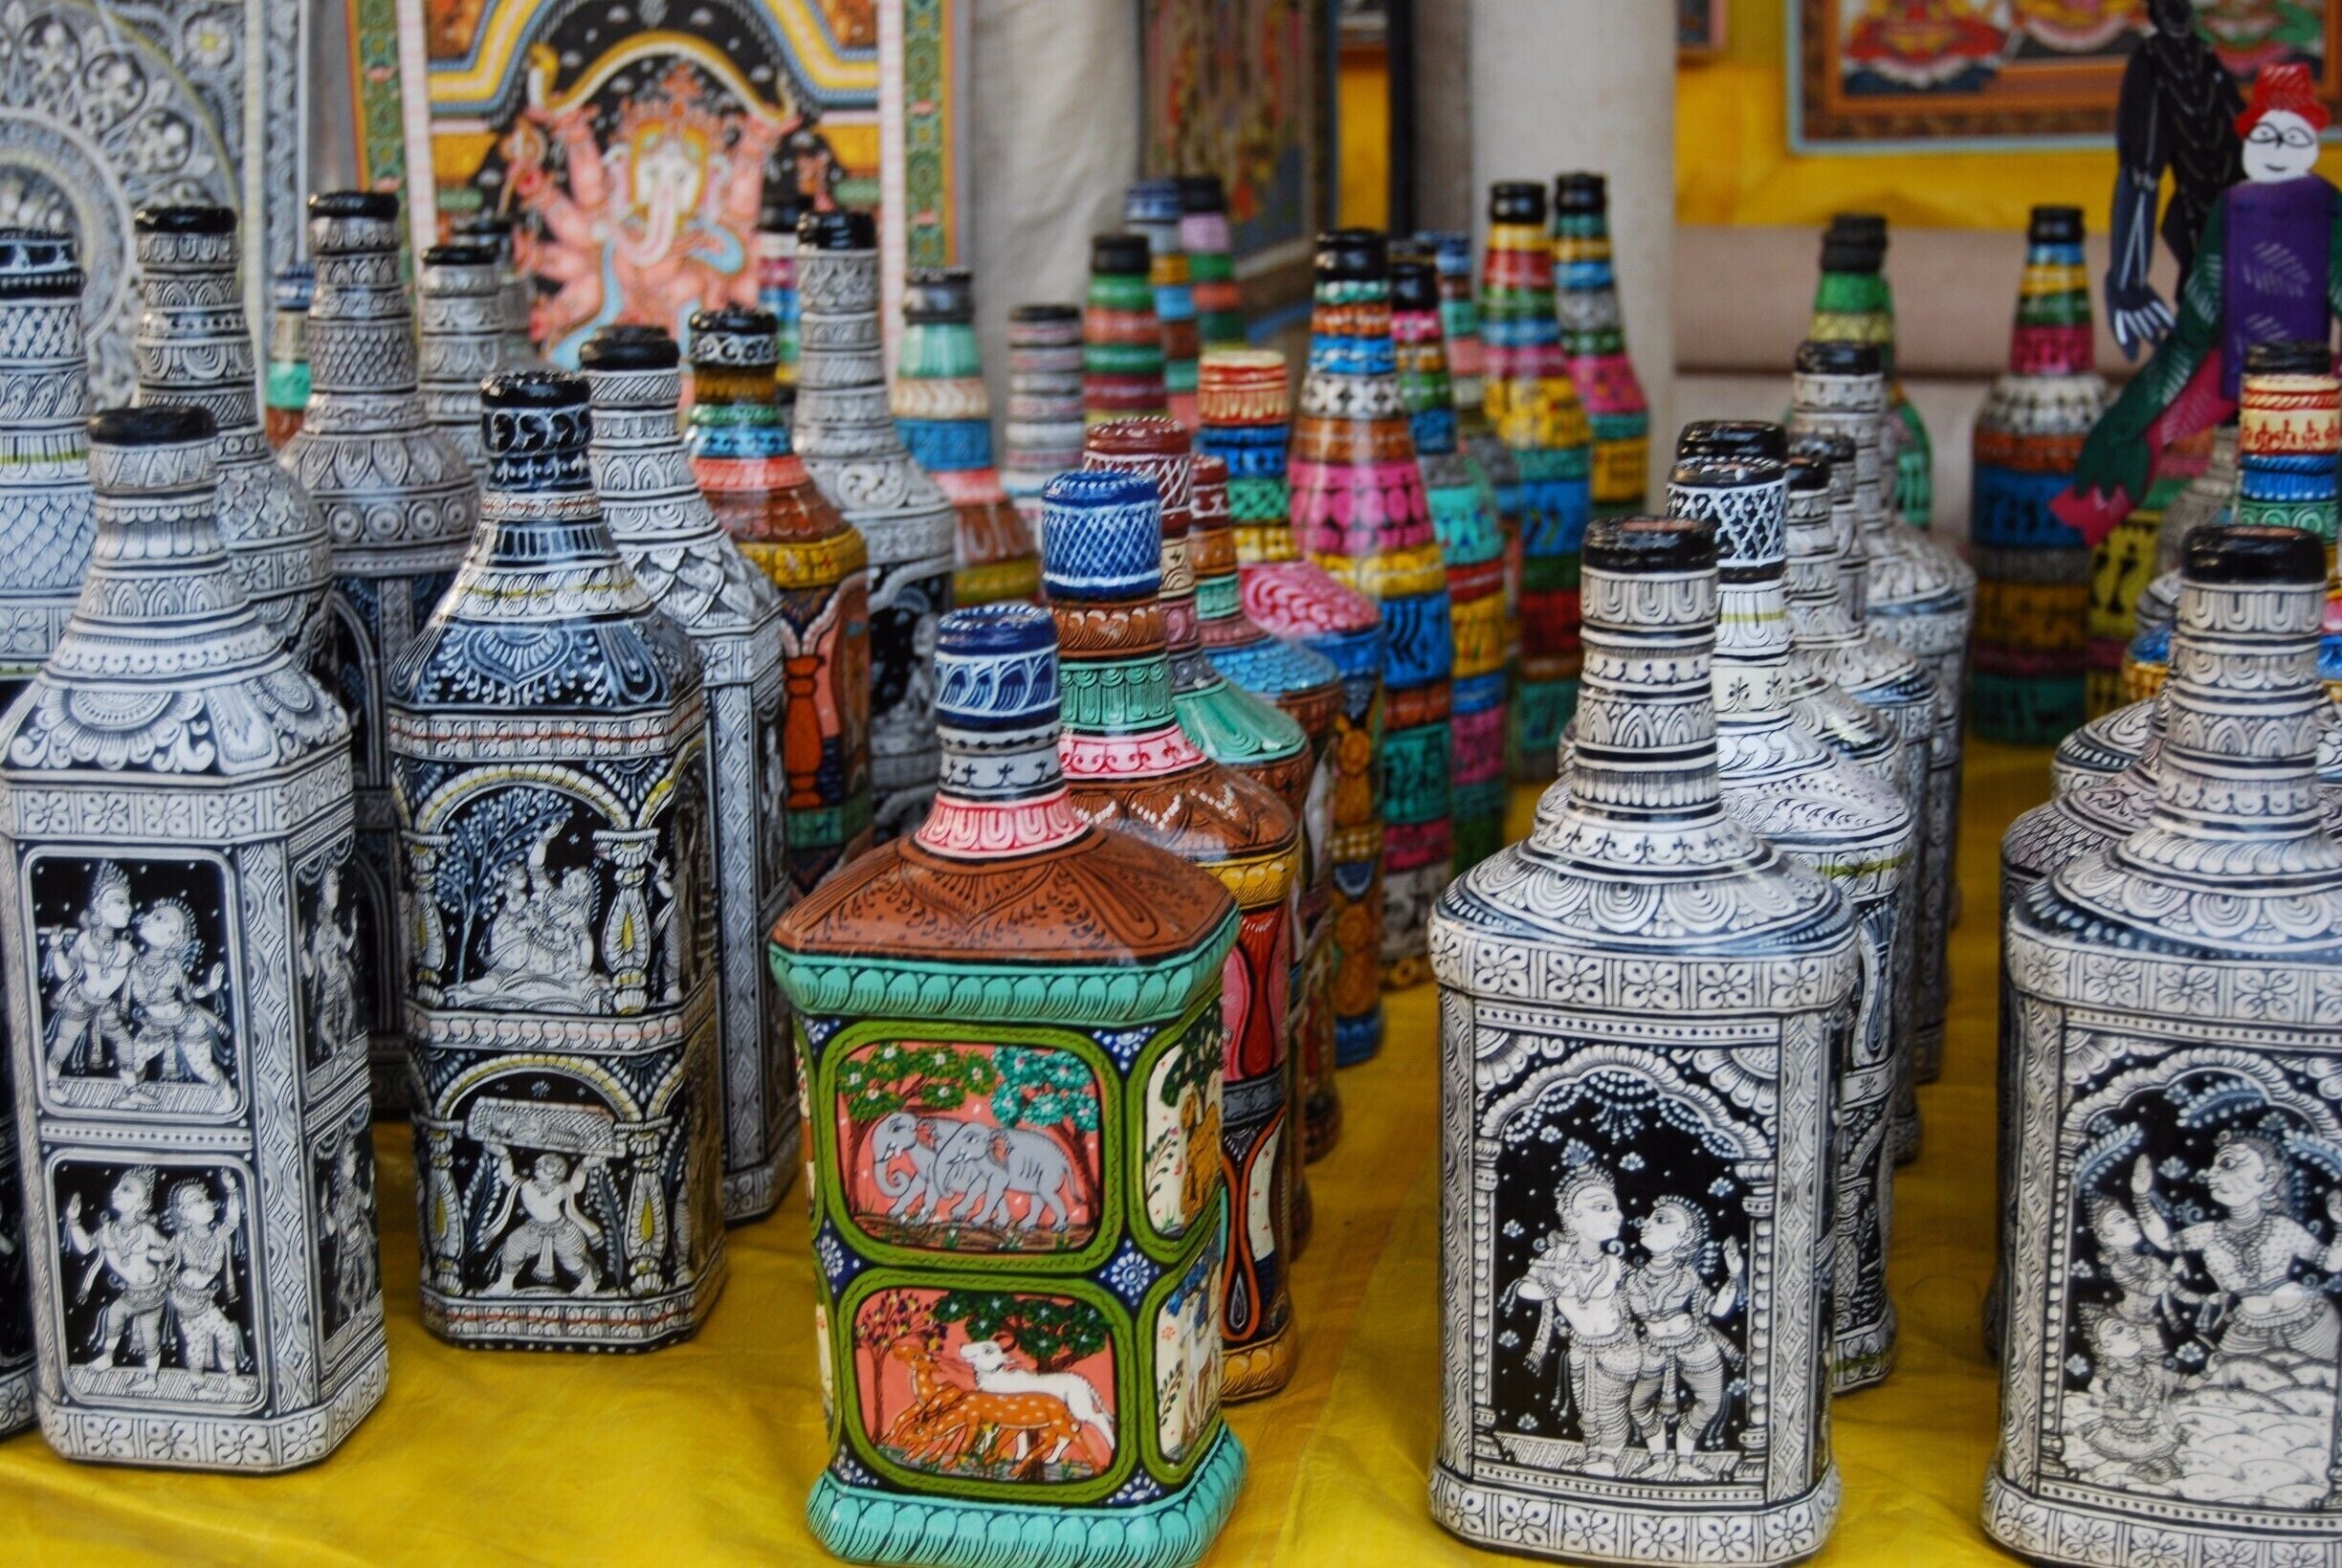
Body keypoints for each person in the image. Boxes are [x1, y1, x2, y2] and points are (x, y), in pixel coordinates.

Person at [2057, 63, 2340, 541]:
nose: (2276, 149)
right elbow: (2206, 290)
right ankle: (2095, 508)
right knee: (2143, 421)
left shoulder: (2328, 205)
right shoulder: (2231, 206)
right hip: (2233, 361)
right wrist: (2184, 343)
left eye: (2290, 138)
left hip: (2305, 377)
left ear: (2310, 142)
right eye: (2265, 136)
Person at [1512, 1168, 1638, 1450]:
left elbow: (1641, 1293)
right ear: (1572, 1217)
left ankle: (1610, 1457)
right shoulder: (1553, 1259)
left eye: (1615, 1207)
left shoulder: (1614, 1265)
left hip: (1620, 1350)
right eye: (1603, 1207)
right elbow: (1523, 1289)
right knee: (1587, 1410)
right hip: (1580, 1348)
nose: (1617, 1215)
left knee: (1612, 1411)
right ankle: (1594, 1455)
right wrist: (1553, 1287)